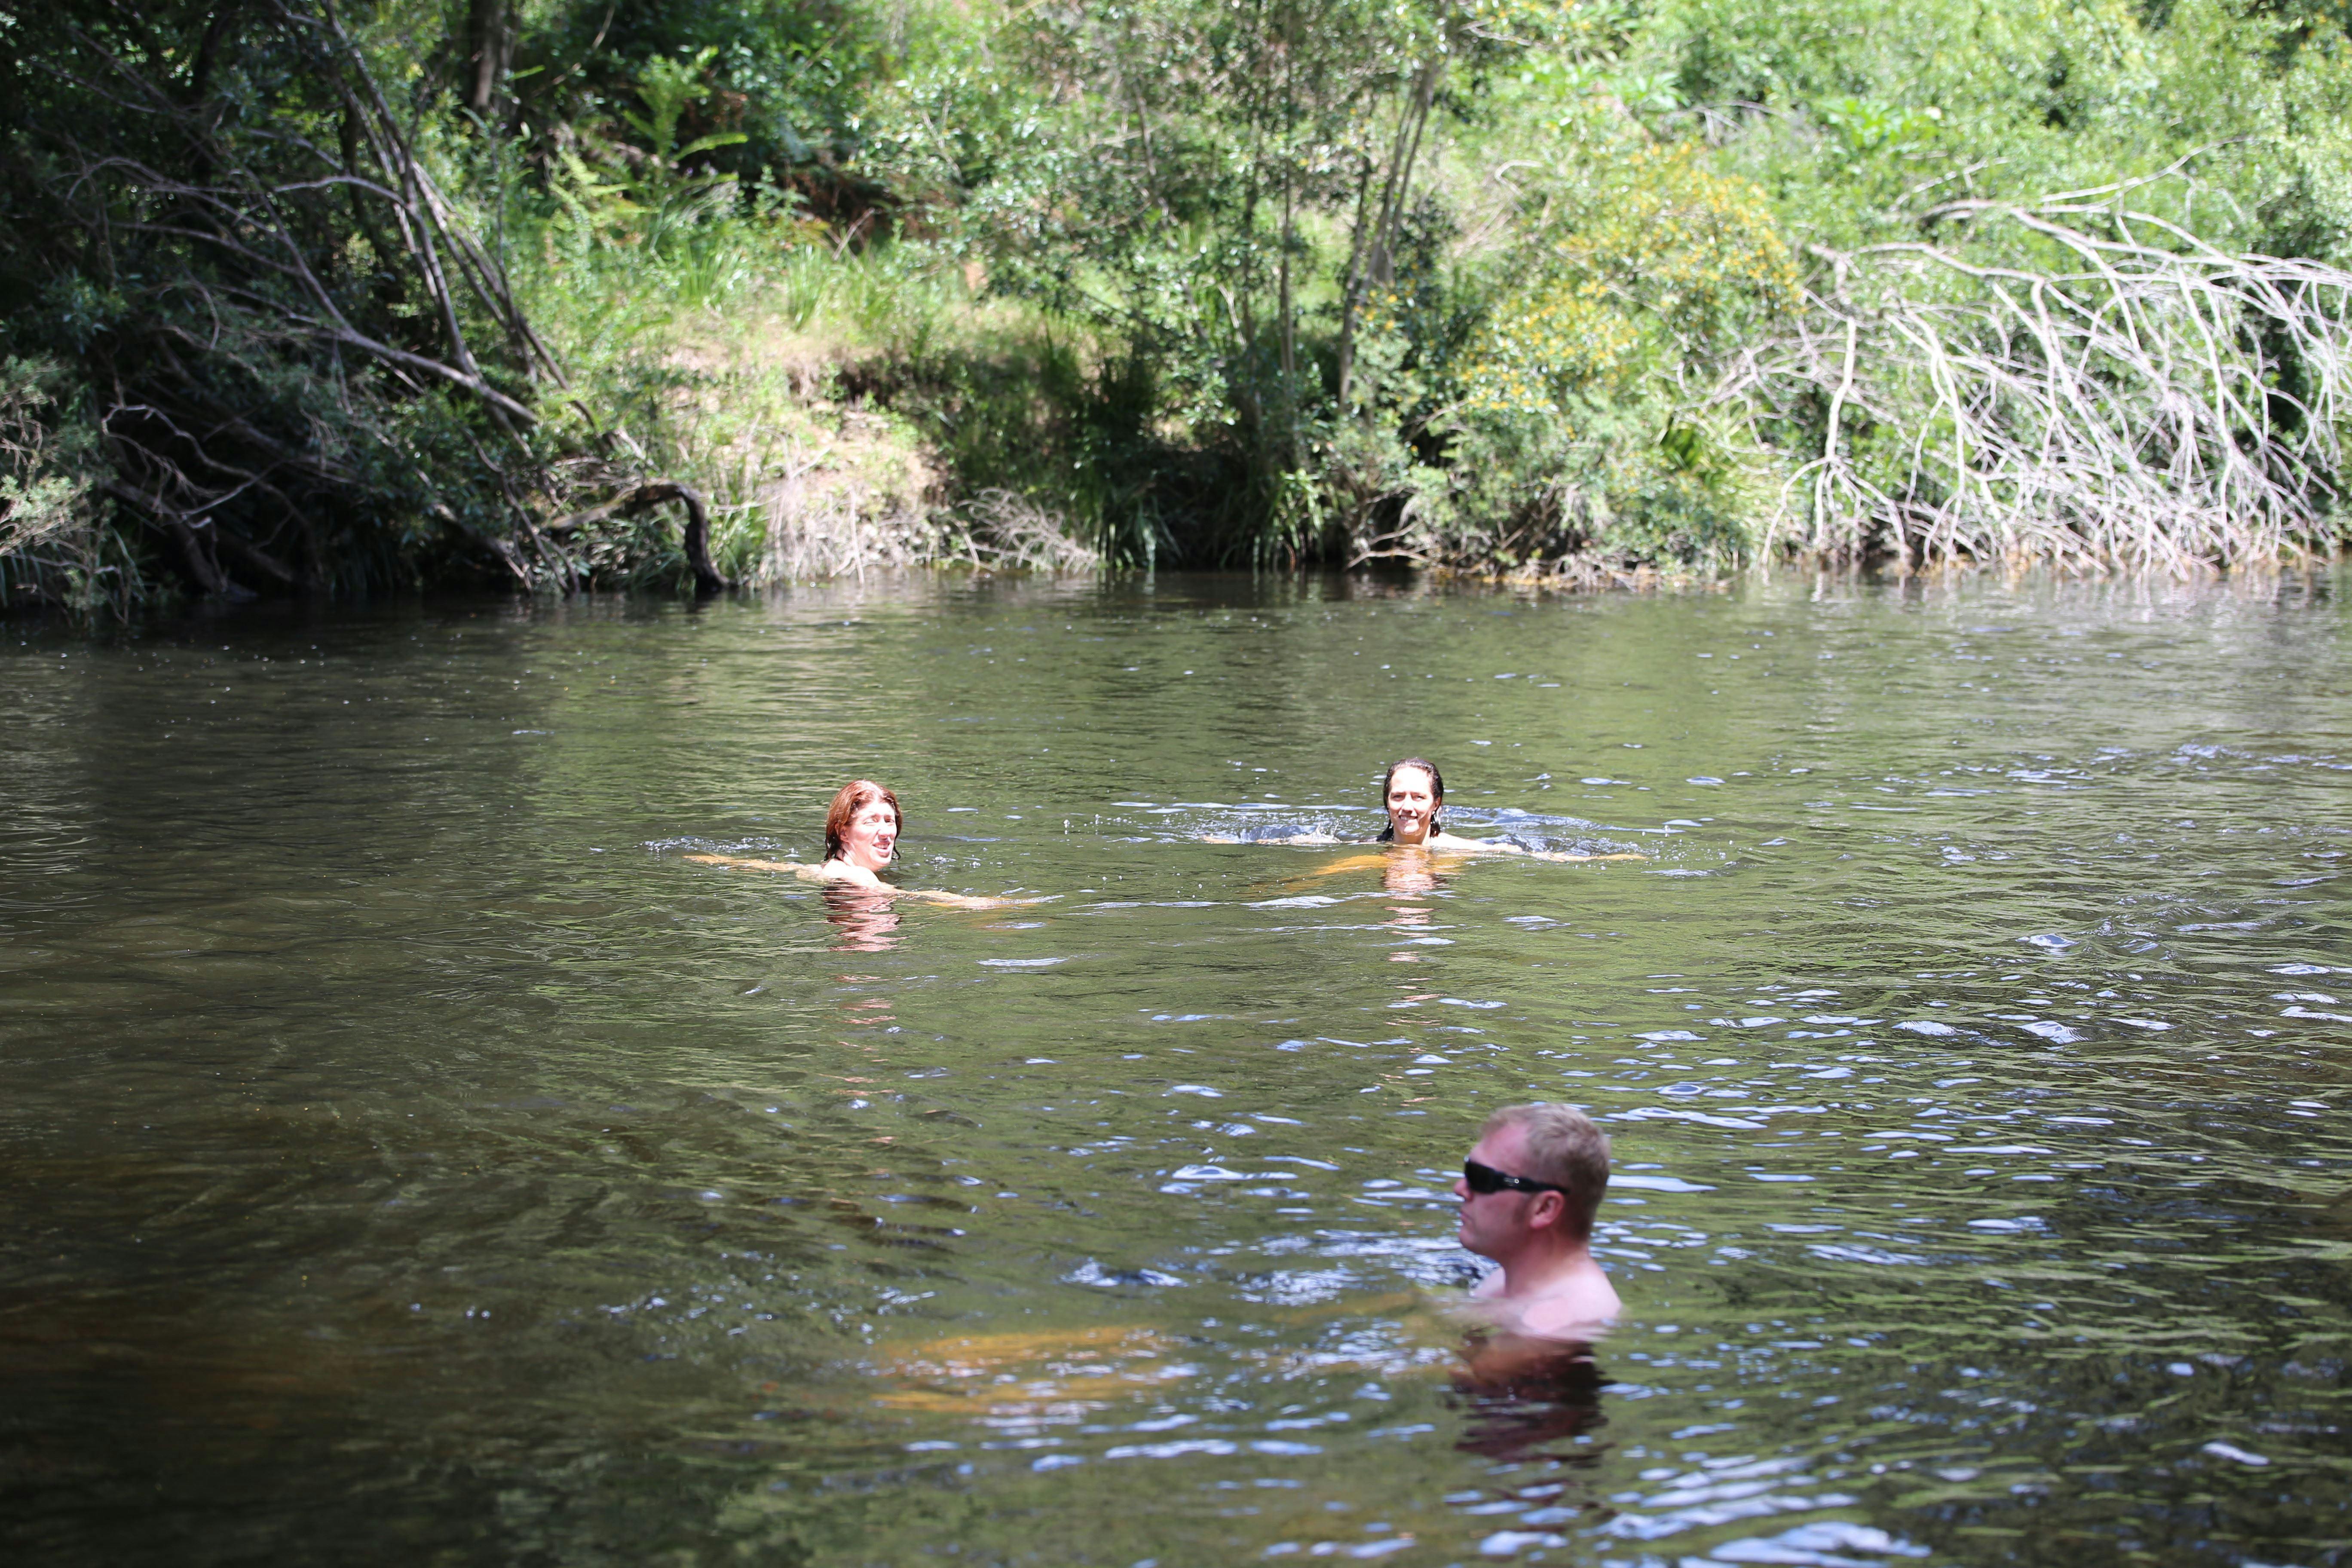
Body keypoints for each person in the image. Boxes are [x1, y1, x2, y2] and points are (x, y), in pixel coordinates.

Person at [685, 780, 1040, 909]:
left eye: (890, 821)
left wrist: (716, 860)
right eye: (872, 821)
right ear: (843, 832)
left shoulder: (825, 870)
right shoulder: (863, 881)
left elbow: (781, 869)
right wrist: (979, 905)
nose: (887, 831)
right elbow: (913, 899)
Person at [1453, 1102, 1620, 1341]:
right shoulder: (1510, 1280)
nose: (1460, 1189)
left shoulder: (1555, 1326)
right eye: (1469, 1169)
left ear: (1544, 1208)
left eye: (1482, 1179)